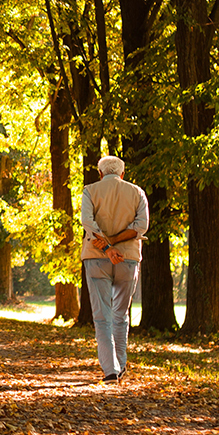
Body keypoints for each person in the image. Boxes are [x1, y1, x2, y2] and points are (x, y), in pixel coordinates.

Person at [80, 155, 149, 383]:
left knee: (102, 317)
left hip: (96, 257)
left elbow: (88, 223)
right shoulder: (137, 192)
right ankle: (120, 366)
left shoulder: (90, 190)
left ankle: (110, 370)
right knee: (121, 314)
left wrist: (107, 246)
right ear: (123, 173)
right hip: (128, 258)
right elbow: (141, 225)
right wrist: (116, 243)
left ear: (100, 173)